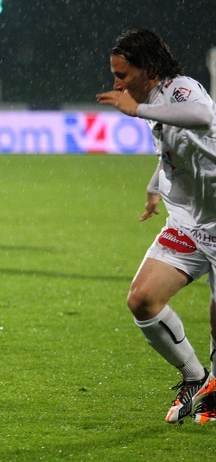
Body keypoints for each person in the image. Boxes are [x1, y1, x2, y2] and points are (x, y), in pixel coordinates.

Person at [97, 29, 216, 424]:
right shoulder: (152, 99)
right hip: (187, 220)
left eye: (123, 74)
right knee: (142, 300)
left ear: (148, 69)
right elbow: (176, 151)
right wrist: (154, 186)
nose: (116, 83)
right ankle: (195, 376)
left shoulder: (180, 89)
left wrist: (137, 111)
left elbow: (203, 117)